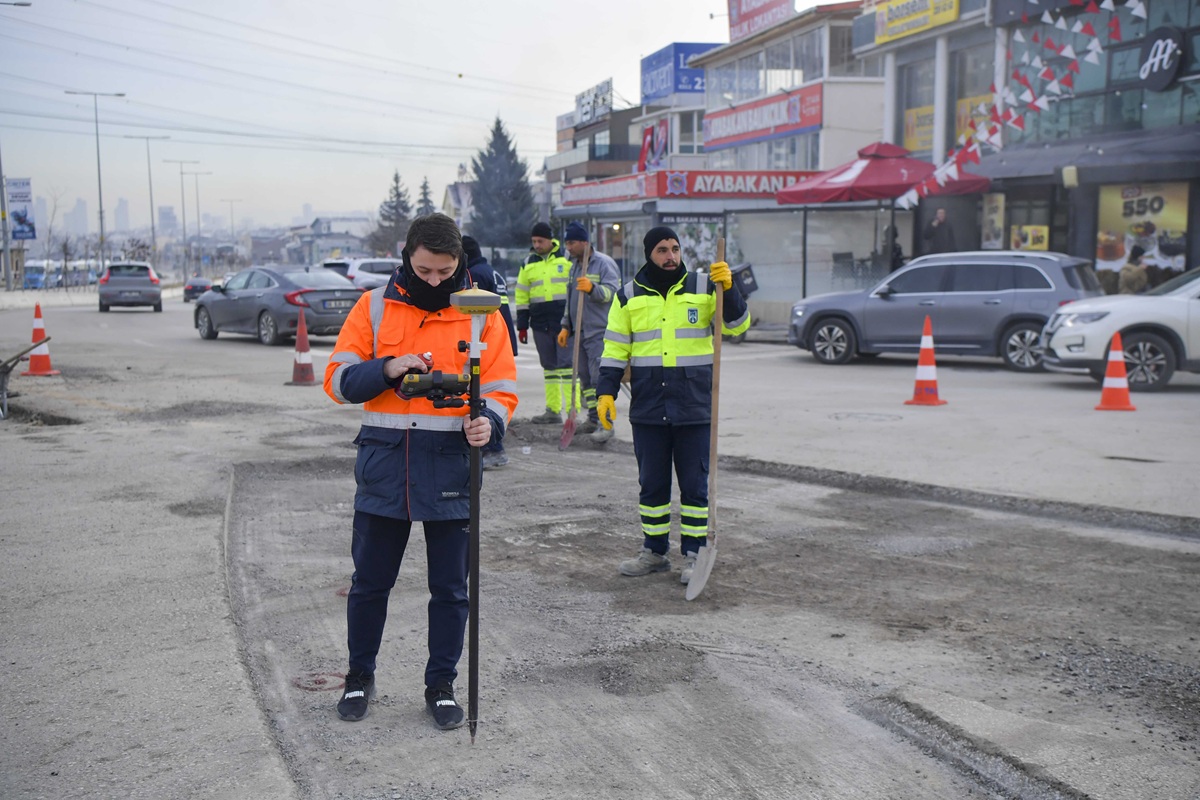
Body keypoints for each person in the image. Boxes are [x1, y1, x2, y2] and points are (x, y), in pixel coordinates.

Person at [323, 213, 518, 730]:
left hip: (452, 466)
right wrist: (385, 369)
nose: (435, 281)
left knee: (451, 589)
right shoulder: (373, 307)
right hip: (386, 465)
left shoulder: (482, 314)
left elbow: (502, 386)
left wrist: (489, 424)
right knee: (369, 585)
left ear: (459, 264)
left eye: (445, 272)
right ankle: (358, 679)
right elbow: (337, 380)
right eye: (425, 270)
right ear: (407, 255)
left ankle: (442, 687)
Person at [594, 227, 751, 586]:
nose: (671, 255)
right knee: (652, 485)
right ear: (649, 253)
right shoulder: (628, 297)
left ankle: (695, 553)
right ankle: (654, 551)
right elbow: (615, 349)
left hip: (694, 404)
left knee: (695, 486)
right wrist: (605, 392)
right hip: (649, 405)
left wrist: (732, 289)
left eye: (675, 248)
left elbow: (738, 326)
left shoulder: (704, 286)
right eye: (663, 249)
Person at [556, 221, 620, 442]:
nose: (569, 247)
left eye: (572, 242)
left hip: (598, 331)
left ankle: (606, 423)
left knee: (598, 378)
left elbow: (613, 294)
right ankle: (593, 418)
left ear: (585, 242)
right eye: (567, 243)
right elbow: (570, 300)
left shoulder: (603, 264)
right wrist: (566, 325)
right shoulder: (574, 266)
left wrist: (593, 289)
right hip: (579, 331)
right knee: (585, 379)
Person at [462, 235, 517, 470]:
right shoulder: (490, 271)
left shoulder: (475, 276)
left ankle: (494, 449)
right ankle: (493, 448)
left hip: (487, 341)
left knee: (482, 395)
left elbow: (475, 316)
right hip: (500, 337)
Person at [515, 222, 573, 424]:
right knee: (549, 367)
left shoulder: (566, 258)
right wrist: (522, 325)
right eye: (534, 241)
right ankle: (553, 410)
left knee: (567, 366)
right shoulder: (528, 262)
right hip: (540, 323)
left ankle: (572, 411)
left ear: (550, 240)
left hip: (564, 321)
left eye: (540, 241)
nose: (537, 245)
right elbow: (521, 295)